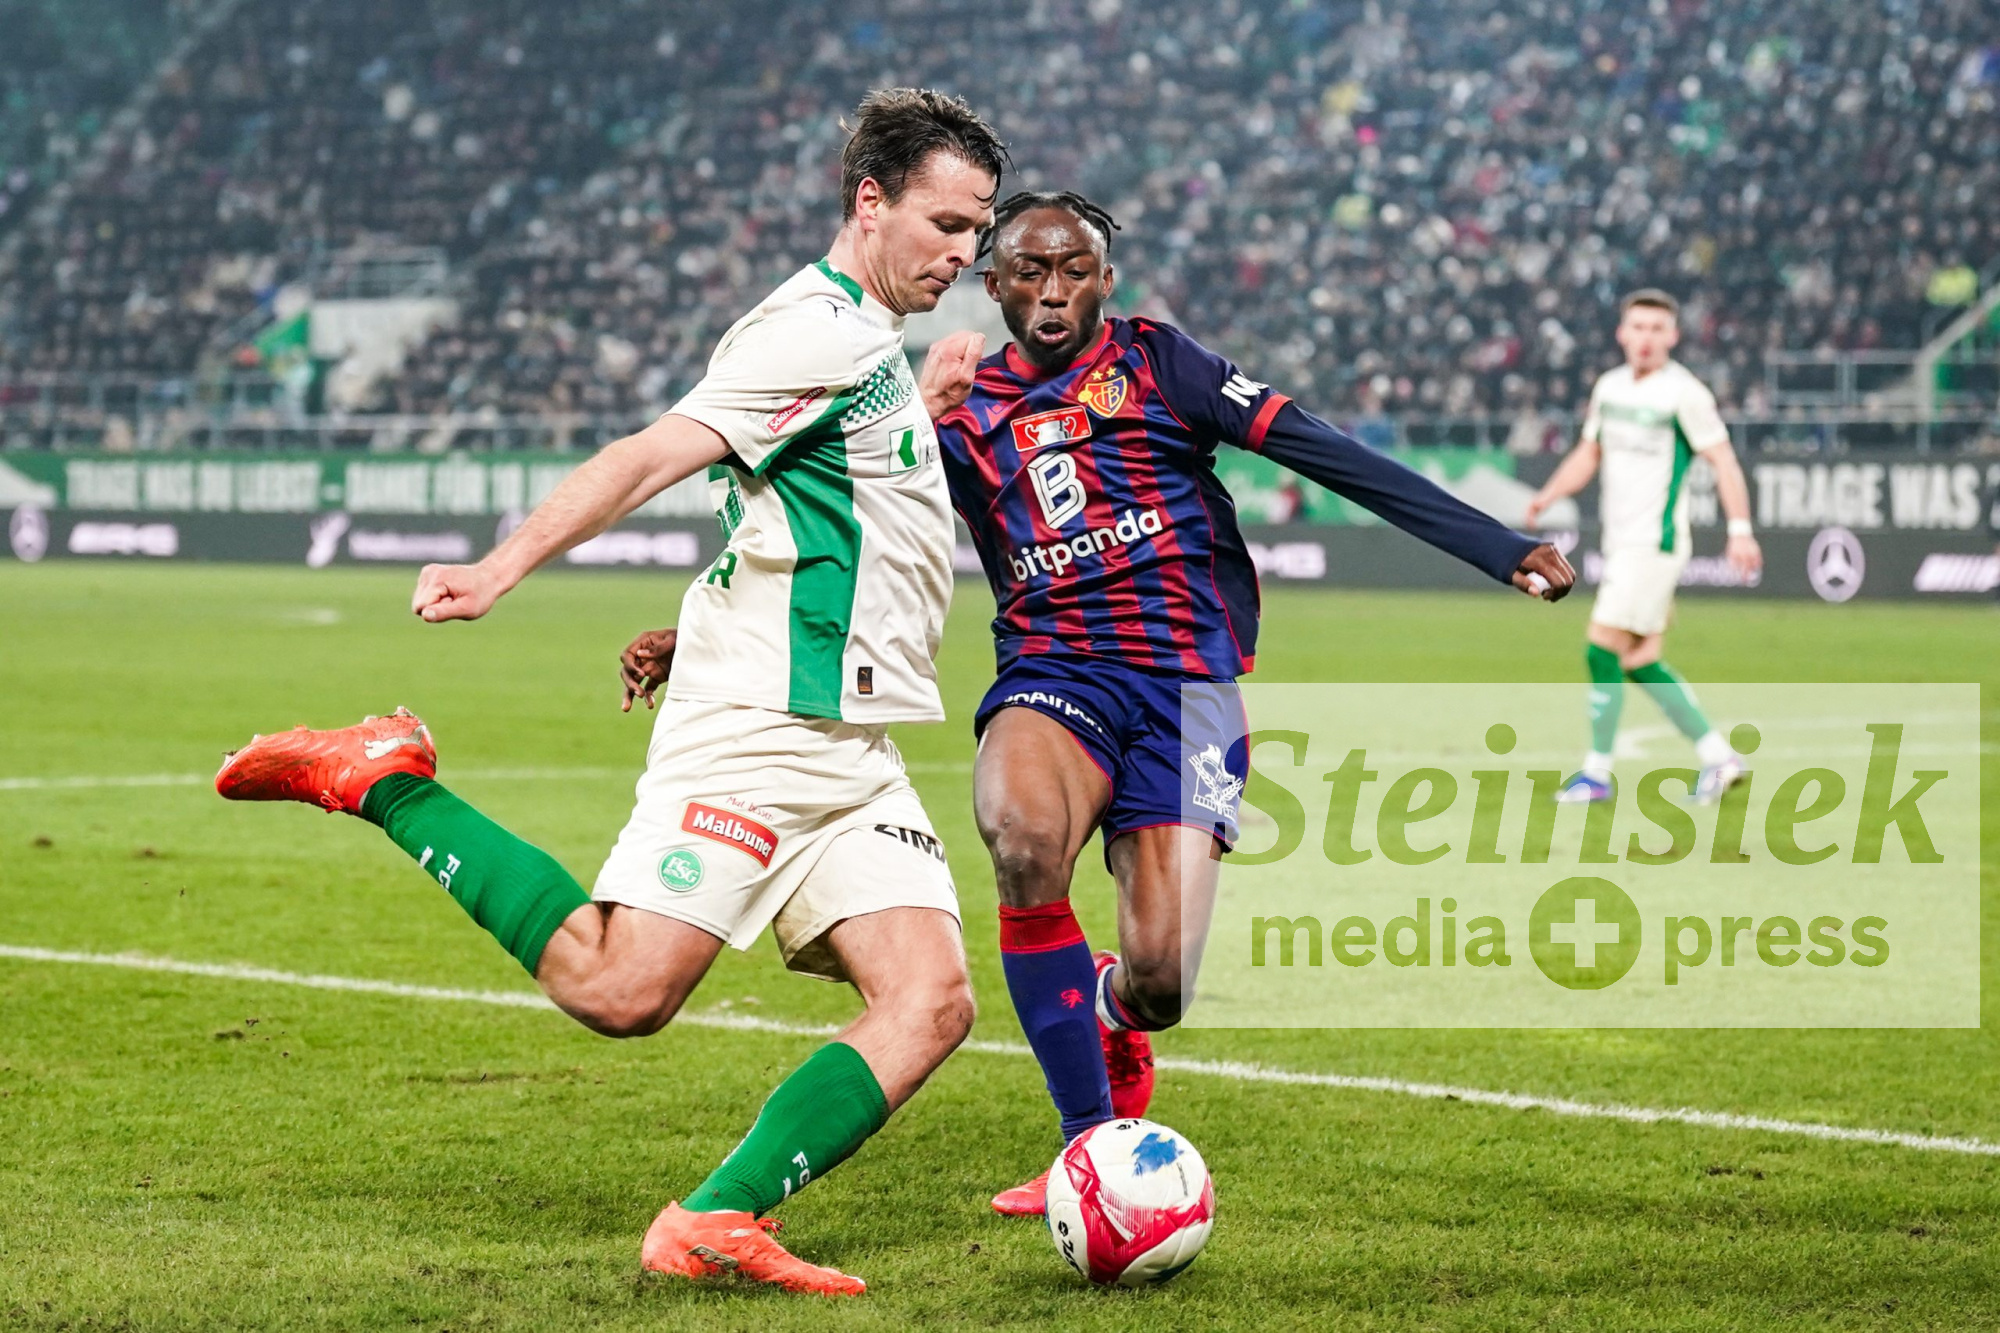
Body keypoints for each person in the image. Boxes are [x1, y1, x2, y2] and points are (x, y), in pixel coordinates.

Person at [213, 88, 1007, 1298]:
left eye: (976, 231)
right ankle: (384, 781)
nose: (963, 254)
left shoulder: (864, 344)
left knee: (931, 1001)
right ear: (869, 201)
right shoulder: (807, 332)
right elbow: (647, 457)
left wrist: (919, 410)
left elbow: (818, 511)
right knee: (620, 988)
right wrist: (499, 567)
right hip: (759, 732)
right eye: (946, 224)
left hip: (850, 743)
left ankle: (713, 1218)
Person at [925, 190, 1575, 1215]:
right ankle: (1087, 1148)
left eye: (1074, 271)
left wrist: (1492, 545)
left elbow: (1322, 449)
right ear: (992, 283)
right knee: (1021, 836)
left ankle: (1108, 1007)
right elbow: (849, 525)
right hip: (1054, 671)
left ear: (1105, 281)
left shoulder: (1159, 363)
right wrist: (911, 423)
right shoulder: (955, 410)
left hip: (1188, 690)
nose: (1052, 292)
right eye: (1029, 272)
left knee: (1160, 984)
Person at [1523, 289, 1764, 803]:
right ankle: (1719, 758)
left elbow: (1723, 460)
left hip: (1654, 544)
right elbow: (1589, 453)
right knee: (1639, 660)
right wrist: (1549, 494)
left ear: (1673, 336)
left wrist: (1740, 529)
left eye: (1657, 329)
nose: (1646, 338)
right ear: (1622, 333)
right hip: (1622, 544)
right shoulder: (1609, 388)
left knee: (1600, 648)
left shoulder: (1685, 394)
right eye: (1638, 327)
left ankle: (1596, 774)